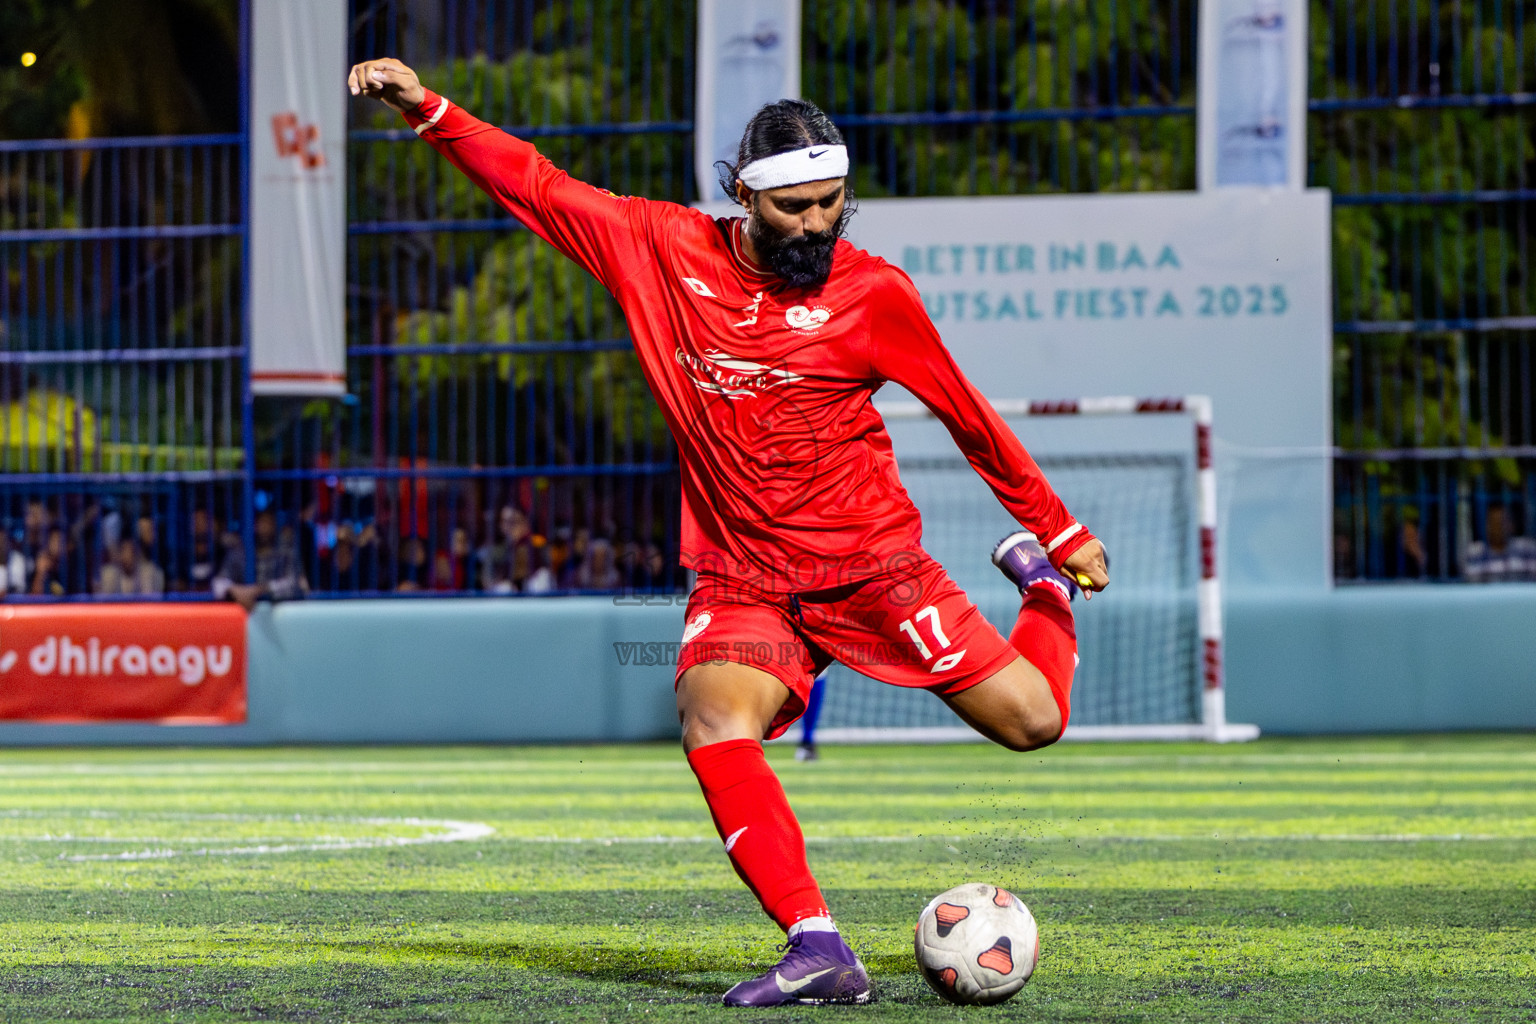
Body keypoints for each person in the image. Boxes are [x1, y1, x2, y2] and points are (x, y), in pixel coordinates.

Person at [350, 60, 1109, 1007]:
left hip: (872, 567)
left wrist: (1055, 528)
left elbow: (965, 413)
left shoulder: (875, 294)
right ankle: (818, 945)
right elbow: (538, 185)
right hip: (743, 578)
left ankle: (1043, 590)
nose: (816, 224)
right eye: (793, 206)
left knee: (1033, 724)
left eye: (832, 203)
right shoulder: (658, 248)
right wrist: (430, 110)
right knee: (713, 719)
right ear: (743, 194)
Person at [213, 509, 309, 611]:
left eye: (268, 523)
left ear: (275, 526)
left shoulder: (286, 551)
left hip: (281, 613)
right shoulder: (240, 551)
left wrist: (260, 590)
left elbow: (295, 584)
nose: (264, 528)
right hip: (244, 611)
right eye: (260, 522)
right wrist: (234, 590)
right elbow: (218, 582)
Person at [1464, 502, 1536, 582]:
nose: (1497, 527)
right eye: (1493, 523)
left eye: (1502, 522)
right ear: (1486, 526)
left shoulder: (1527, 548)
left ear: (1511, 525)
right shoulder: (1475, 552)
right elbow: (1471, 583)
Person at [96, 537, 166, 596]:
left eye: (131, 551)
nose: (126, 556)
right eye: (123, 550)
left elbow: (151, 600)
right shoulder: (108, 573)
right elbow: (102, 601)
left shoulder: (150, 572)